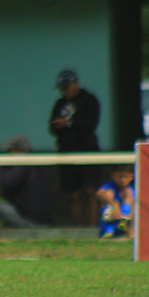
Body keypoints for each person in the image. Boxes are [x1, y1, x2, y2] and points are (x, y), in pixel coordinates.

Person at [48, 69, 100, 226]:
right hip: (66, 151)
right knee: (73, 193)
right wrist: (57, 125)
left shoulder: (89, 100)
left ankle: (92, 226)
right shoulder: (60, 103)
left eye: (66, 87)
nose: (64, 92)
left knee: (90, 191)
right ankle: (79, 227)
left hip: (87, 149)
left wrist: (69, 123)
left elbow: (91, 124)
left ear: (76, 84)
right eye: (61, 88)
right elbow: (52, 127)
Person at [0, 135, 54, 227]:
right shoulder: (36, 164)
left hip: (30, 220)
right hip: (39, 218)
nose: (8, 154)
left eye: (10, 150)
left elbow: (4, 184)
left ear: (19, 150)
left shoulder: (25, 164)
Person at [96, 164, 134, 239]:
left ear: (131, 177)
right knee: (109, 193)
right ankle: (108, 230)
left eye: (125, 177)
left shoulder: (130, 190)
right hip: (110, 220)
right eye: (119, 176)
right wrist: (113, 204)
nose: (122, 180)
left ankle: (124, 220)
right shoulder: (109, 186)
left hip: (123, 226)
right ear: (113, 176)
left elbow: (134, 210)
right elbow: (99, 194)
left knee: (129, 196)